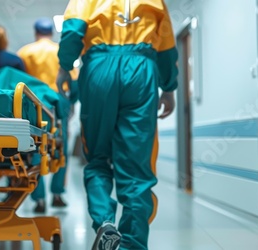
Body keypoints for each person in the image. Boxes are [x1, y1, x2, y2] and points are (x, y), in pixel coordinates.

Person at [56, 0, 178, 249]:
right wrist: (169, 87)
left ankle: (104, 224)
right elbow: (166, 47)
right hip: (141, 70)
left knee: (98, 158)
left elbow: (72, 30)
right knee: (136, 168)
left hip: (99, 69)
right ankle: (131, 243)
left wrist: (65, 67)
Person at [17, 17, 78, 213]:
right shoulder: (61, 52)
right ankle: (58, 194)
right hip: (58, 103)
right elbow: (73, 81)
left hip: (34, 104)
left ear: (36, 32)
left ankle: (39, 199)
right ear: (51, 32)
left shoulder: (25, 52)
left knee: (35, 147)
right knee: (60, 146)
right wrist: (71, 102)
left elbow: (18, 79)